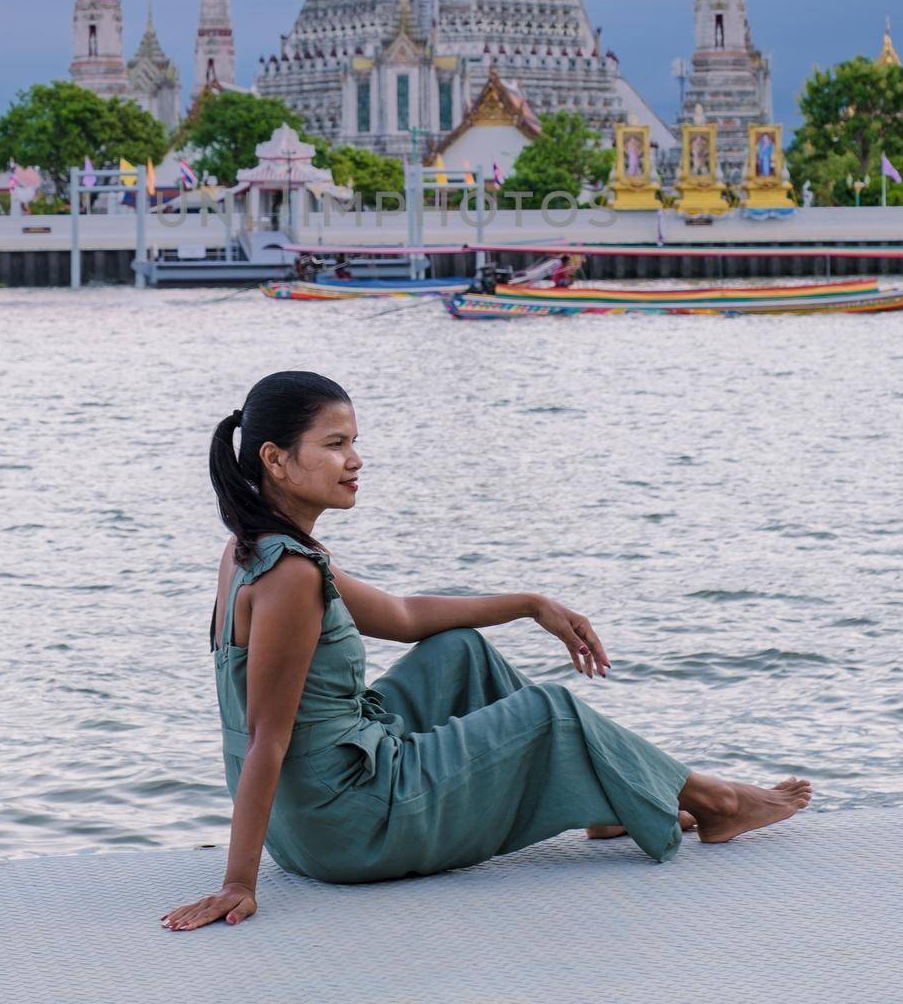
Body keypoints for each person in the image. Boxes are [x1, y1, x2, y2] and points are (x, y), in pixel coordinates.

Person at [161, 372, 812, 933]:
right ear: (276, 460)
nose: (356, 459)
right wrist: (240, 882)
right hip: (348, 825)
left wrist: (530, 604)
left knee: (460, 651)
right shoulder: (291, 578)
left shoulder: (259, 551)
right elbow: (264, 738)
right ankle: (720, 803)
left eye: (354, 441)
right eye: (335, 445)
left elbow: (406, 616)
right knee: (549, 712)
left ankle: (608, 798)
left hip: (315, 811)